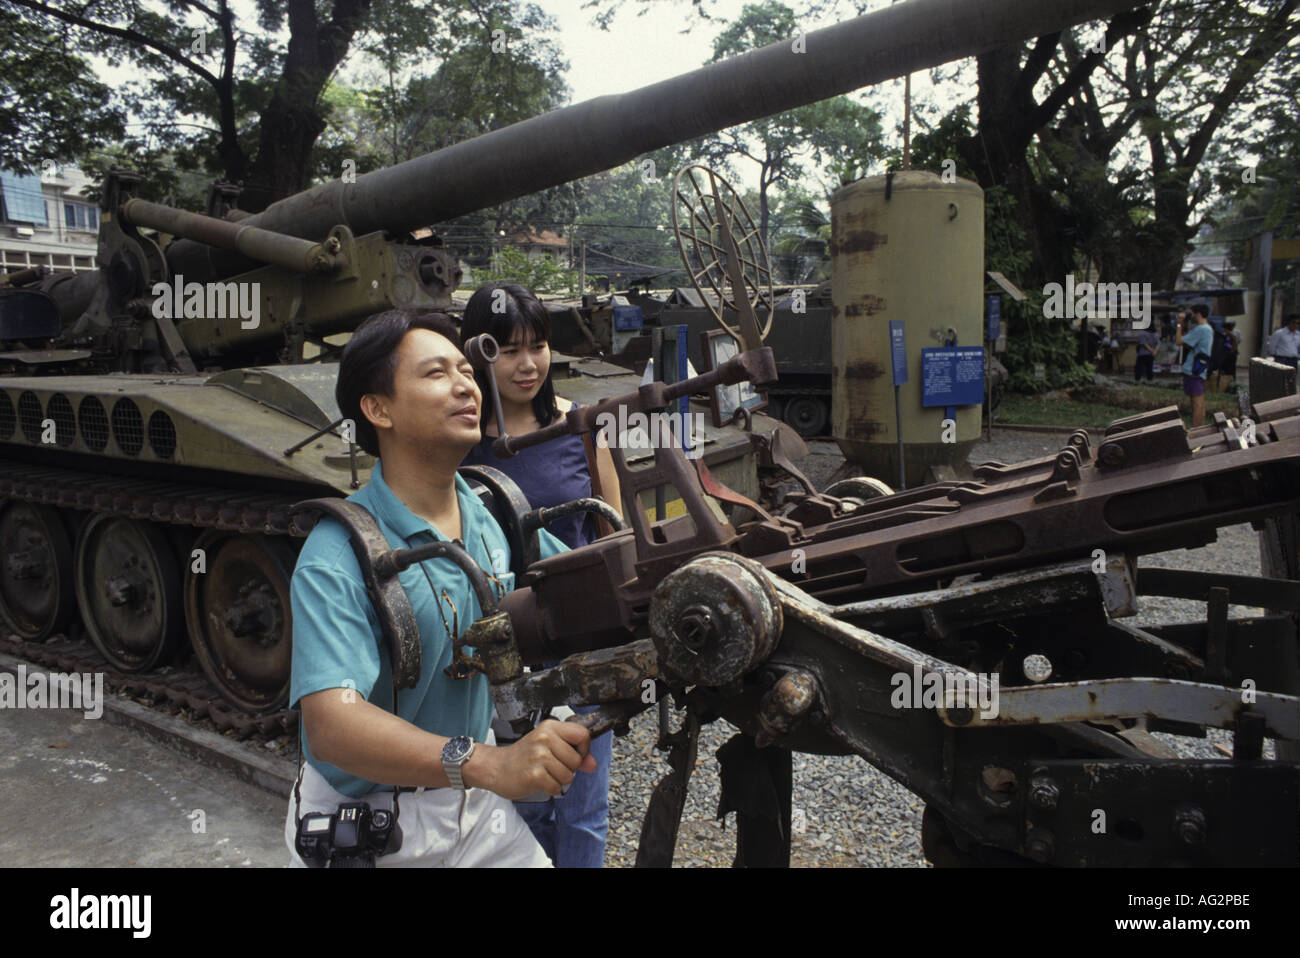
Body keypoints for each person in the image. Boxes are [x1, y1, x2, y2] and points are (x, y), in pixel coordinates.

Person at [285, 308, 596, 868]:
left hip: (475, 809)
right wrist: (488, 763)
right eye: (435, 374)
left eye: (466, 370)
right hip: (373, 829)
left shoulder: (492, 514)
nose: (465, 385)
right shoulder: (337, 556)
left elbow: (581, 584)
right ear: (378, 409)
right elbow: (332, 726)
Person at [460, 283, 622, 869]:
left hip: (581, 638)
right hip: (505, 645)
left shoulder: (579, 427)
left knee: (583, 802)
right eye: (507, 350)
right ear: (477, 353)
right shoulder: (461, 441)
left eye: (538, 346)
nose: (528, 364)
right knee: (521, 802)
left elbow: (613, 532)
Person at [1176, 303, 1214, 427]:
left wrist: (1179, 324)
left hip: (1193, 369)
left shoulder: (1201, 329)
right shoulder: (1208, 329)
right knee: (1200, 400)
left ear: (1197, 314)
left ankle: (1196, 430)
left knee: (1196, 402)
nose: (1190, 316)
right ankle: (1200, 427)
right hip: (1200, 368)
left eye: (1191, 313)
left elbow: (1179, 341)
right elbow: (1189, 344)